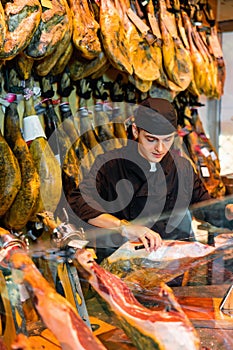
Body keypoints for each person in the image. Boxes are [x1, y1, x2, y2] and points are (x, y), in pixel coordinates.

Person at [68, 98, 233, 257]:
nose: (160, 148)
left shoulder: (181, 168)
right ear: (135, 131)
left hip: (170, 264)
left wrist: (227, 210)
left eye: (167, 140)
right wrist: (124, 227)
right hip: (121, 264)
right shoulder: (110, 164)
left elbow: (205, 207)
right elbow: (79, 201)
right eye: (151, 139)